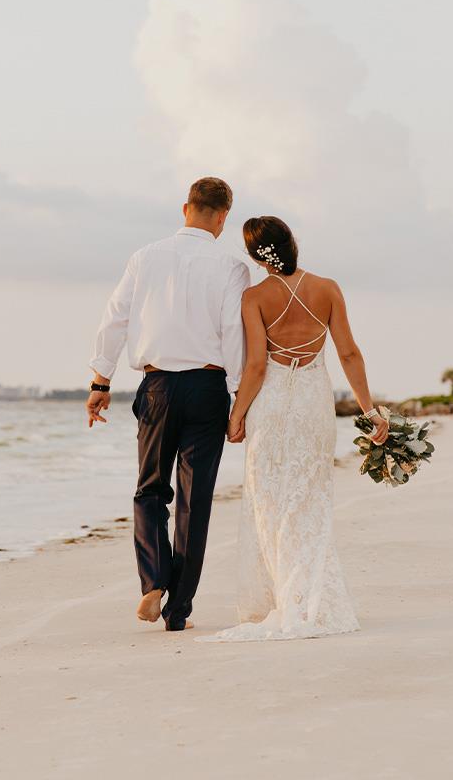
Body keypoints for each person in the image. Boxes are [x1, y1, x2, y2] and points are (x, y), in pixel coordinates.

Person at [200, 215, 388, 642]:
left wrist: (236, 415)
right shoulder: (327, 288)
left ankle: (282, 600)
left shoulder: (254, 297)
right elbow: (350, 354)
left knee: (269, 503)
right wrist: (369, 410)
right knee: (309, 500)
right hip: (311, 405)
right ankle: (310, 597)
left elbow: (255, 365)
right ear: (292, 243)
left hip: (270, 407)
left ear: (254, 256)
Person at [87, 177, 249, 631]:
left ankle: (152, 582)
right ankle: (178, 611)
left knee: (150, 490)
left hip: (156, 386)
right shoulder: (232, 267)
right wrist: (239, 401)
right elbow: (234, 336)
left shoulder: (145, 257)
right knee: (194, 504)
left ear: (186, 209)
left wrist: (101, 381)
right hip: (207, 388)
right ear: (222, 216)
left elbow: (114, 318)